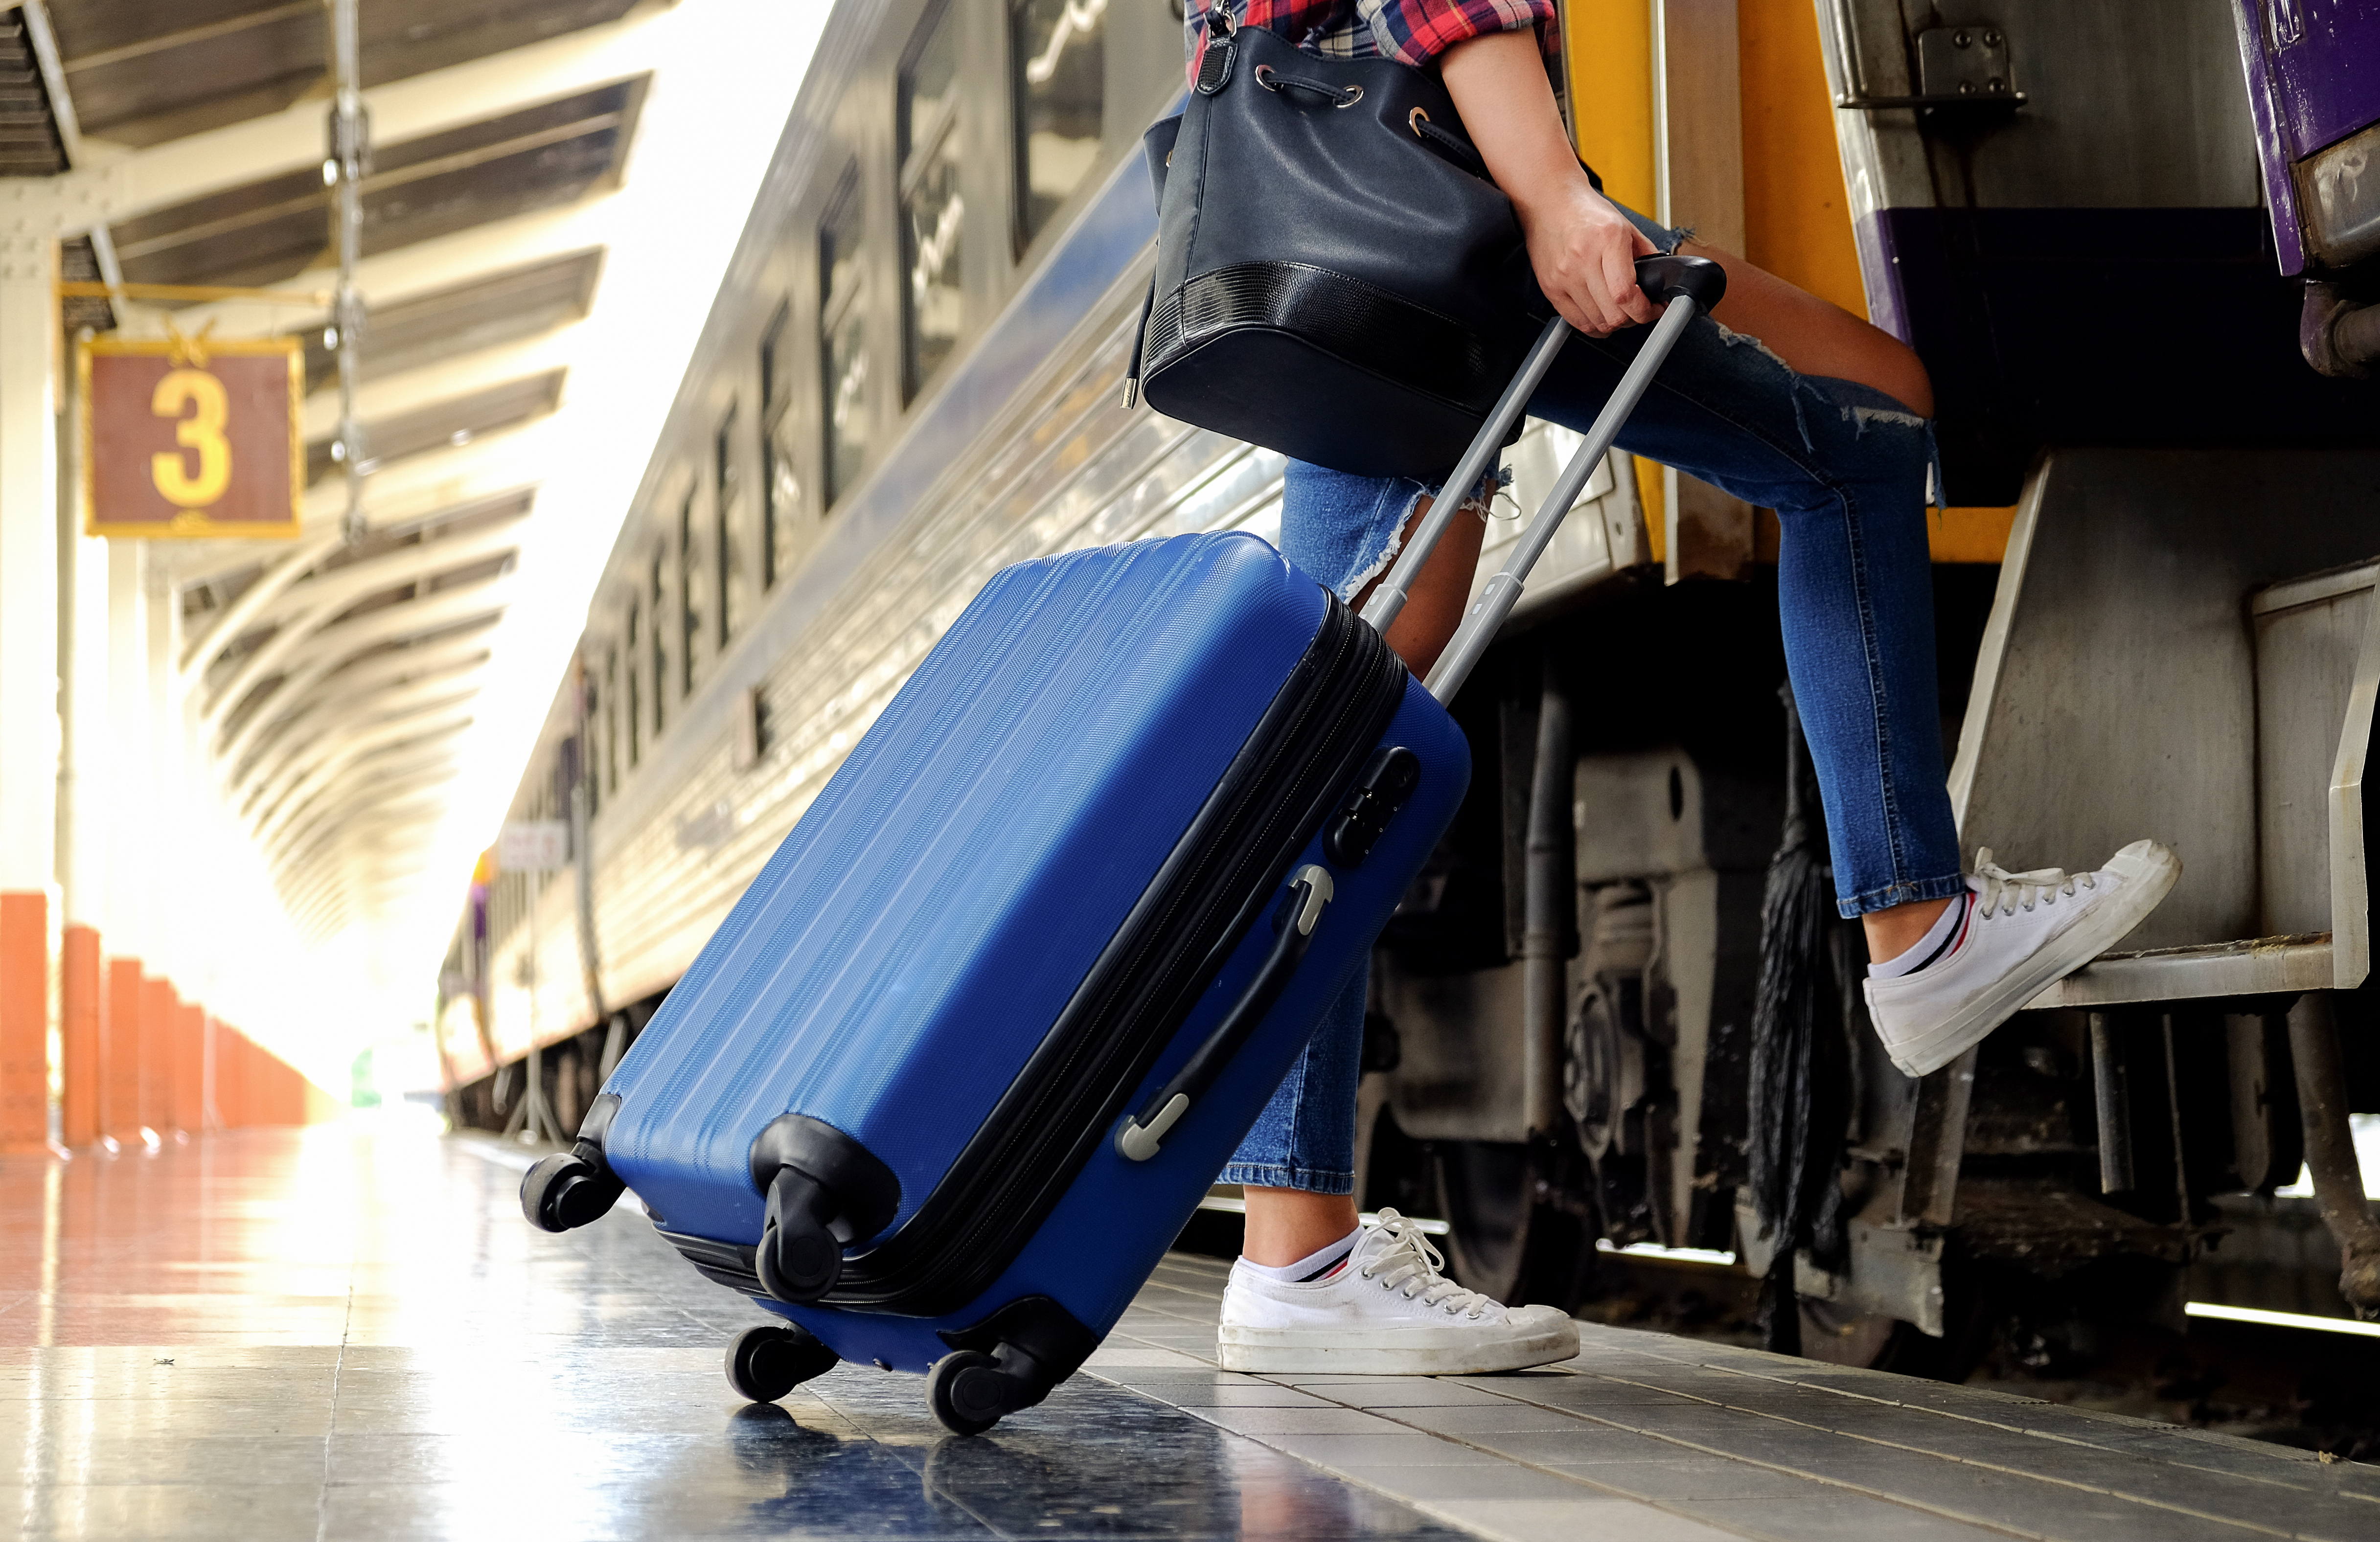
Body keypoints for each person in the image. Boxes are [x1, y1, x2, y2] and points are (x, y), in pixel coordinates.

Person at [1194, 0, 2181, 1376]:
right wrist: (1552, 198)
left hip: (1373, 205)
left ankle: (1296, 1253)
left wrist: (1598, 211)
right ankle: (1916, 933)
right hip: (1432, 206)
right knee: (1344, 724)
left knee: (1346, 718)